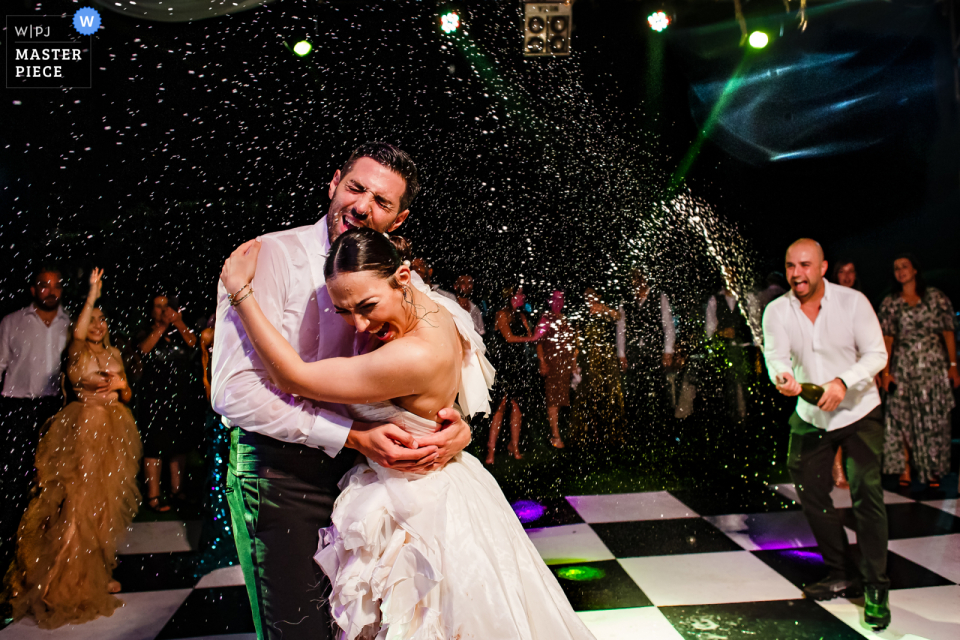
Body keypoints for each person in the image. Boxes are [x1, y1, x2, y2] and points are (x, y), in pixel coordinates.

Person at [219, 228, 595, 640]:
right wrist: (457, 428)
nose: (359, 325)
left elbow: (293, 377)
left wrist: (241, 293)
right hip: (449, 485)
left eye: (367, 306)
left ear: (401, 278)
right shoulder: (443, 311)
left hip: (417, 510)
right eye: (344, 312)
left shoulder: (409, 355)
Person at [211, 142, 472, 640]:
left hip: (371, 482)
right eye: (356, 188)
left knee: (363, 630)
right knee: (300, 631)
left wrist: (453, 426)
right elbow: (233, 392)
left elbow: (435, 364)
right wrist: (352, 435)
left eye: (381, 201)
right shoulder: (267, 257)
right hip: (281, 475)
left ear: (398, 219)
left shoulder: (400, 278)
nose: (362, 206)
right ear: (334, 184)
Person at [763, 239, 890, 630]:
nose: (796, 274)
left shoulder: (853, 302)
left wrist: (842, 381)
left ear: (822, 268)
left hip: (859, 410)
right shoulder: (776, 310)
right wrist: (782, 378)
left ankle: (875, 587)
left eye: (804, 265)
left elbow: (877, 354)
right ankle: (839, 570)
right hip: (810, 412)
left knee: (866, 491)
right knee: (809, 488)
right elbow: (776, 357)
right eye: (790, 266)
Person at [3, 268, 141, 628]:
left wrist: (119, 386)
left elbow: (127, 394)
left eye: (101, 320)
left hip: (113, 435)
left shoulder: (113, 354)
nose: (95, 325)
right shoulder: (76, 346)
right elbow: (79, 336)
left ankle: (96, 571)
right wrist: (93, 293)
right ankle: (57, 579)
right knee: (75, 506)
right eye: (90, 319)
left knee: (103, 508)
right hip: (82, 433)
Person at [0, 268, 71, 569]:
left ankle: (46, 548)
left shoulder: (69, 323)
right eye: (44, 285)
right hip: (16, 406)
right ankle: (11, 547)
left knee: (50, 478)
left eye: (56, 286)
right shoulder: (12, 322)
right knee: (15, 479)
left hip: (53, 407)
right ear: (33, 290)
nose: (50, 291)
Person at [878, 253, 958, 488]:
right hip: (904, 365)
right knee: (902, 415)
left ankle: (931, 467)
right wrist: (885, 372)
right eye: (896, 268)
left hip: (933, 365)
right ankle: (905, 466)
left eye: (905, 266)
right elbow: (888, 339)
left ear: (915, 270)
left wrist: (953, 366)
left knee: (933, 417)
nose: (900, 271)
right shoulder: (891, 302)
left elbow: (948, 332)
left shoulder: (935, 297)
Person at [136, 294, 200, 512]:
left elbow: (194, 344)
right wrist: (162, 325)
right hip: (153, 398)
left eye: (167, 307)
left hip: (179, 397)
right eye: (158, 307)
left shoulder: (180, 332)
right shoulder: (145, 331)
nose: (164, 310)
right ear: (151, 310)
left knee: (178, 446)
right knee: (154, 447)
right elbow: (143, 350)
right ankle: (153, 496)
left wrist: (179, 322)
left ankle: (177, 491)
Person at [616, 268, 676, 428]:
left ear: (644, 279)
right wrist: (621, 354)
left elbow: (668, 326)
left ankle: (666, 426)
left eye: (638, 278)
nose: (636, 282)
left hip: (655, 350)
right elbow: (621, 329)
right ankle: (637, 427)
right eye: (633, 279)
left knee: (660, 388)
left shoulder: (659, 297)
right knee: (636, 390)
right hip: (634, 352)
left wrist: (667, 351)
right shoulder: (626, 302)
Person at [485, 286, 537, 463]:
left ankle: (514, 446)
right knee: (500, 406)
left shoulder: (521, 316)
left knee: (517, 407)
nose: (523, 296)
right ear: (511, 295)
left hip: (519, 364)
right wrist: (530, 338)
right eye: (520, 293)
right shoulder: (501, 314)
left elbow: (530, 334)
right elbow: (508, 337)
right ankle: (490, 451)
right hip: (504, 364)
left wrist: (533, 331)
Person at [569, 287, 625, 450]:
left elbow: (619, 316)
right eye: (586, 296)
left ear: (599, 295)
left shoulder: (606, 311)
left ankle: (613, 436)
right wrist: (574, 361)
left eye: (592, 295)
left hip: (607, 359)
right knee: (590, 396)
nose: (589, 298)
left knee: (611, 395)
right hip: (590, 361)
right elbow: (578, 341)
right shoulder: (584, 317)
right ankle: (590, 436)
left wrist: (604, 309)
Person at [705, 279, 757, 422]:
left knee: (748, 388)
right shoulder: (715, 299)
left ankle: (751, 421)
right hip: (726, 351)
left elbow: (756, 325)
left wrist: (757, 350)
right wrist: (721, 333)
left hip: (745, 349)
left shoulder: (747, 297)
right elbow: (709, 330)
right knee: (729, 389)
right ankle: (733, 422)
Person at [534, 290, 579, 448]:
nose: (558, 302)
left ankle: (558, 431)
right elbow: (538, 342)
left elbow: (572, 343)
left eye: (561, 299)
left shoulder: (565, 319)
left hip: (564, 365)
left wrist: (573, 364)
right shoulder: (545, 319)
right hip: (552, 364)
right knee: (553, 399)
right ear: (550, 301)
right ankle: (555, 435)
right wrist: (542, 362)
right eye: (555, 300)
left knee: (561, 399)